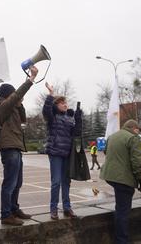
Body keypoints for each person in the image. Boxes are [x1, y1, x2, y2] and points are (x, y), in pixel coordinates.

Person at [0, 66, 38, 226]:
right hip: (9, 147)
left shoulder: (12, 107)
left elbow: (23, 119)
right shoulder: (3, 106)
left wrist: (19, 105)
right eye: (13, 95)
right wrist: (30, 79)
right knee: (10, 183)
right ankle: (6, 214)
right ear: (8, 95)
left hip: (16, 147)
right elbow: (17, 94)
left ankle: (14, 209)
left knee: (17, 182)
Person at [100, 119, 141, 244]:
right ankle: (122, 240)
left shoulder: (112, 136)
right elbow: (137, 162)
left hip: (110, 176)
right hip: (123, 178)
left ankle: (121, 238)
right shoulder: (133, 138)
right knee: (123, 210)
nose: (137, 133)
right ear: (133, 128)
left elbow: (106, 152)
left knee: (120, 207)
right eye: (137, 130)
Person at [42, 82, 82, 220]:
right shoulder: (52, 118)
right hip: (55, 153)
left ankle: (67, 208)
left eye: (66, 102)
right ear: (56, 105)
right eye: (61, 103)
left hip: (67, 154)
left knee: (66, 181)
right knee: (56, 182)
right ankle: (53, 209)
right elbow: (46, 111)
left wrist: (78, 119)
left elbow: (76, 134)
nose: (65, 104)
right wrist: (50, 94)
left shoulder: (70, 118)